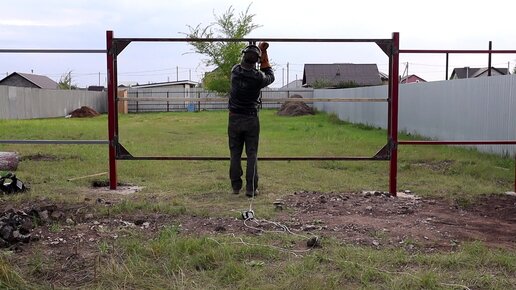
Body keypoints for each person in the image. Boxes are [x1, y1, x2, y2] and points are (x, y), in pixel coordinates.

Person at [228, 42, 274, 197]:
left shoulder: (235, 71)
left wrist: (258, 52)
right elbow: (270, 75)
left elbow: (244, 64)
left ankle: (235, 186)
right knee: (252, 154)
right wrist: (263, 53)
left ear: (243, 56)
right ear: (256, 60)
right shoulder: (258, 78)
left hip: (234, 118)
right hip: (251, 118)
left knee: (235, 153)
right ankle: (251, 188)